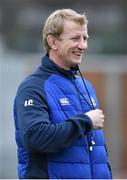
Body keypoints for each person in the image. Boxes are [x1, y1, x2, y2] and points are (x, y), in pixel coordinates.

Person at [13, 8, 112, 179]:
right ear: (53, 42)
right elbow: (35, 137)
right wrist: (86, 121)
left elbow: (97, 152)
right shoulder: (33, 87)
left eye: (85, 38)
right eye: (75, 38)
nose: (83, 45)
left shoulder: (85, 86)